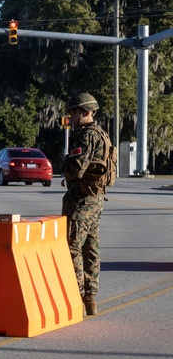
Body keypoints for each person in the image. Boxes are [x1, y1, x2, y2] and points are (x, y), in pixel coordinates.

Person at [60, 92, 110, 316]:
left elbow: (75, 170)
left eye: (74, 112)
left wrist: (65, 162)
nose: (71, 116)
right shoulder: (102, 134)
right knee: (91, 248)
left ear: (86, 112)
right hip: (96, 198)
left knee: (72, 248)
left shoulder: (86, 136)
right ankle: (91, 299)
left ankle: (77, 297)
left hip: (81, 200)